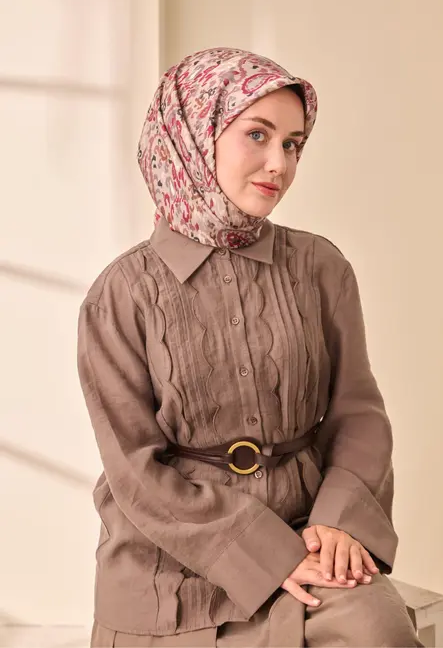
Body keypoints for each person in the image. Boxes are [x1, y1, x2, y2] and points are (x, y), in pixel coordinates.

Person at [77, 47, 422, 647]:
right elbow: (133, 469)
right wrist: (264, 555)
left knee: (377, 631)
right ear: (191, 135)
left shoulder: (321, 267)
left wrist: (339, 523)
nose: (278, 163)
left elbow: (358, 412)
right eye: (257, 135)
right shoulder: (120, 294)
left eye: (293, 144)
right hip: (167, 566)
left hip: (312, 534)